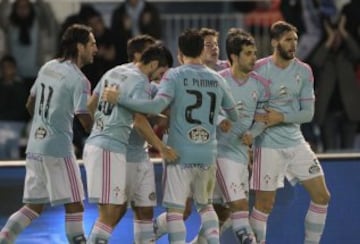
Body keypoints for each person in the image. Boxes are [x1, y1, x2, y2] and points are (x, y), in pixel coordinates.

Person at [103, 28, 239, 244]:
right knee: (206, 206)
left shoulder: (174, 75)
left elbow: (156, 105)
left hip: (179, 153)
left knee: (176, 211)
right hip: (207, 153)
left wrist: (120, 99)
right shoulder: (217, 79)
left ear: (179, 53)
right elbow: (234, 113)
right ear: (201, 51)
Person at [0, 24, 97, 244]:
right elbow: (85, 121)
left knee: (33, 207)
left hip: (35, 147)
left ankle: (4, 238)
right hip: (58, 150)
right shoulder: (80, 80)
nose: (96, 49)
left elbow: (30, 104)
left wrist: (47, 120)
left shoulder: (48, 67)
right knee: (75, 205)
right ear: (79, 46)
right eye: (92, 44)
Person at [83, 43, 177, 244]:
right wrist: (161, 147)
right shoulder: (140, 81)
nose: (160, 77)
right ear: (153, 64)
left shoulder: (114, 71)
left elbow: (91, 104)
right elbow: (140, 119)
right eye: (161, 72)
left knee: (135, 209)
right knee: (111, 211)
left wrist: (99, 127)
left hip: (107, 145)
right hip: (109, 148)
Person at [249, 21, 331, 244]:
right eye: (288, 40)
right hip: (266, 145)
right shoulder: (258, 69)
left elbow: (308, 114)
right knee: (264, 205)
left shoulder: (304, 71)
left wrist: (281, 117)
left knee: (322, 196)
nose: (293, 44)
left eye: (295, 39)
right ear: (275, 42)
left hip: (296, 143)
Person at [311, 7, 360, 151]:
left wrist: (343, 32)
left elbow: (357, 54)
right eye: (333, 35)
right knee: (330, 152)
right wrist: (330, 38)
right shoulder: (323, 54)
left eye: (338, 36)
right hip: (328, 113)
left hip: (349, 112)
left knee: (349, 153)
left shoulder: (348, 55)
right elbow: (315, 62)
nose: (336, 38)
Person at [111, 0, 162, 64]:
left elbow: (157, 33)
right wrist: (125, 30)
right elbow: (114, 36)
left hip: (148, 50)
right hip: (126, 53)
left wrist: (146, 25)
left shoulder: (150, 10)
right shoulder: (119, 12)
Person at [0, 55, 29, 160]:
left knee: (12, 143)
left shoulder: (21, 86)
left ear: (14, 68)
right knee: (2, 141)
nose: (6, 70)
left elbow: (23, 109)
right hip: (2, 123)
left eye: (9, 67)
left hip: (18, 124)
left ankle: (13, 170)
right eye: (4, 67)